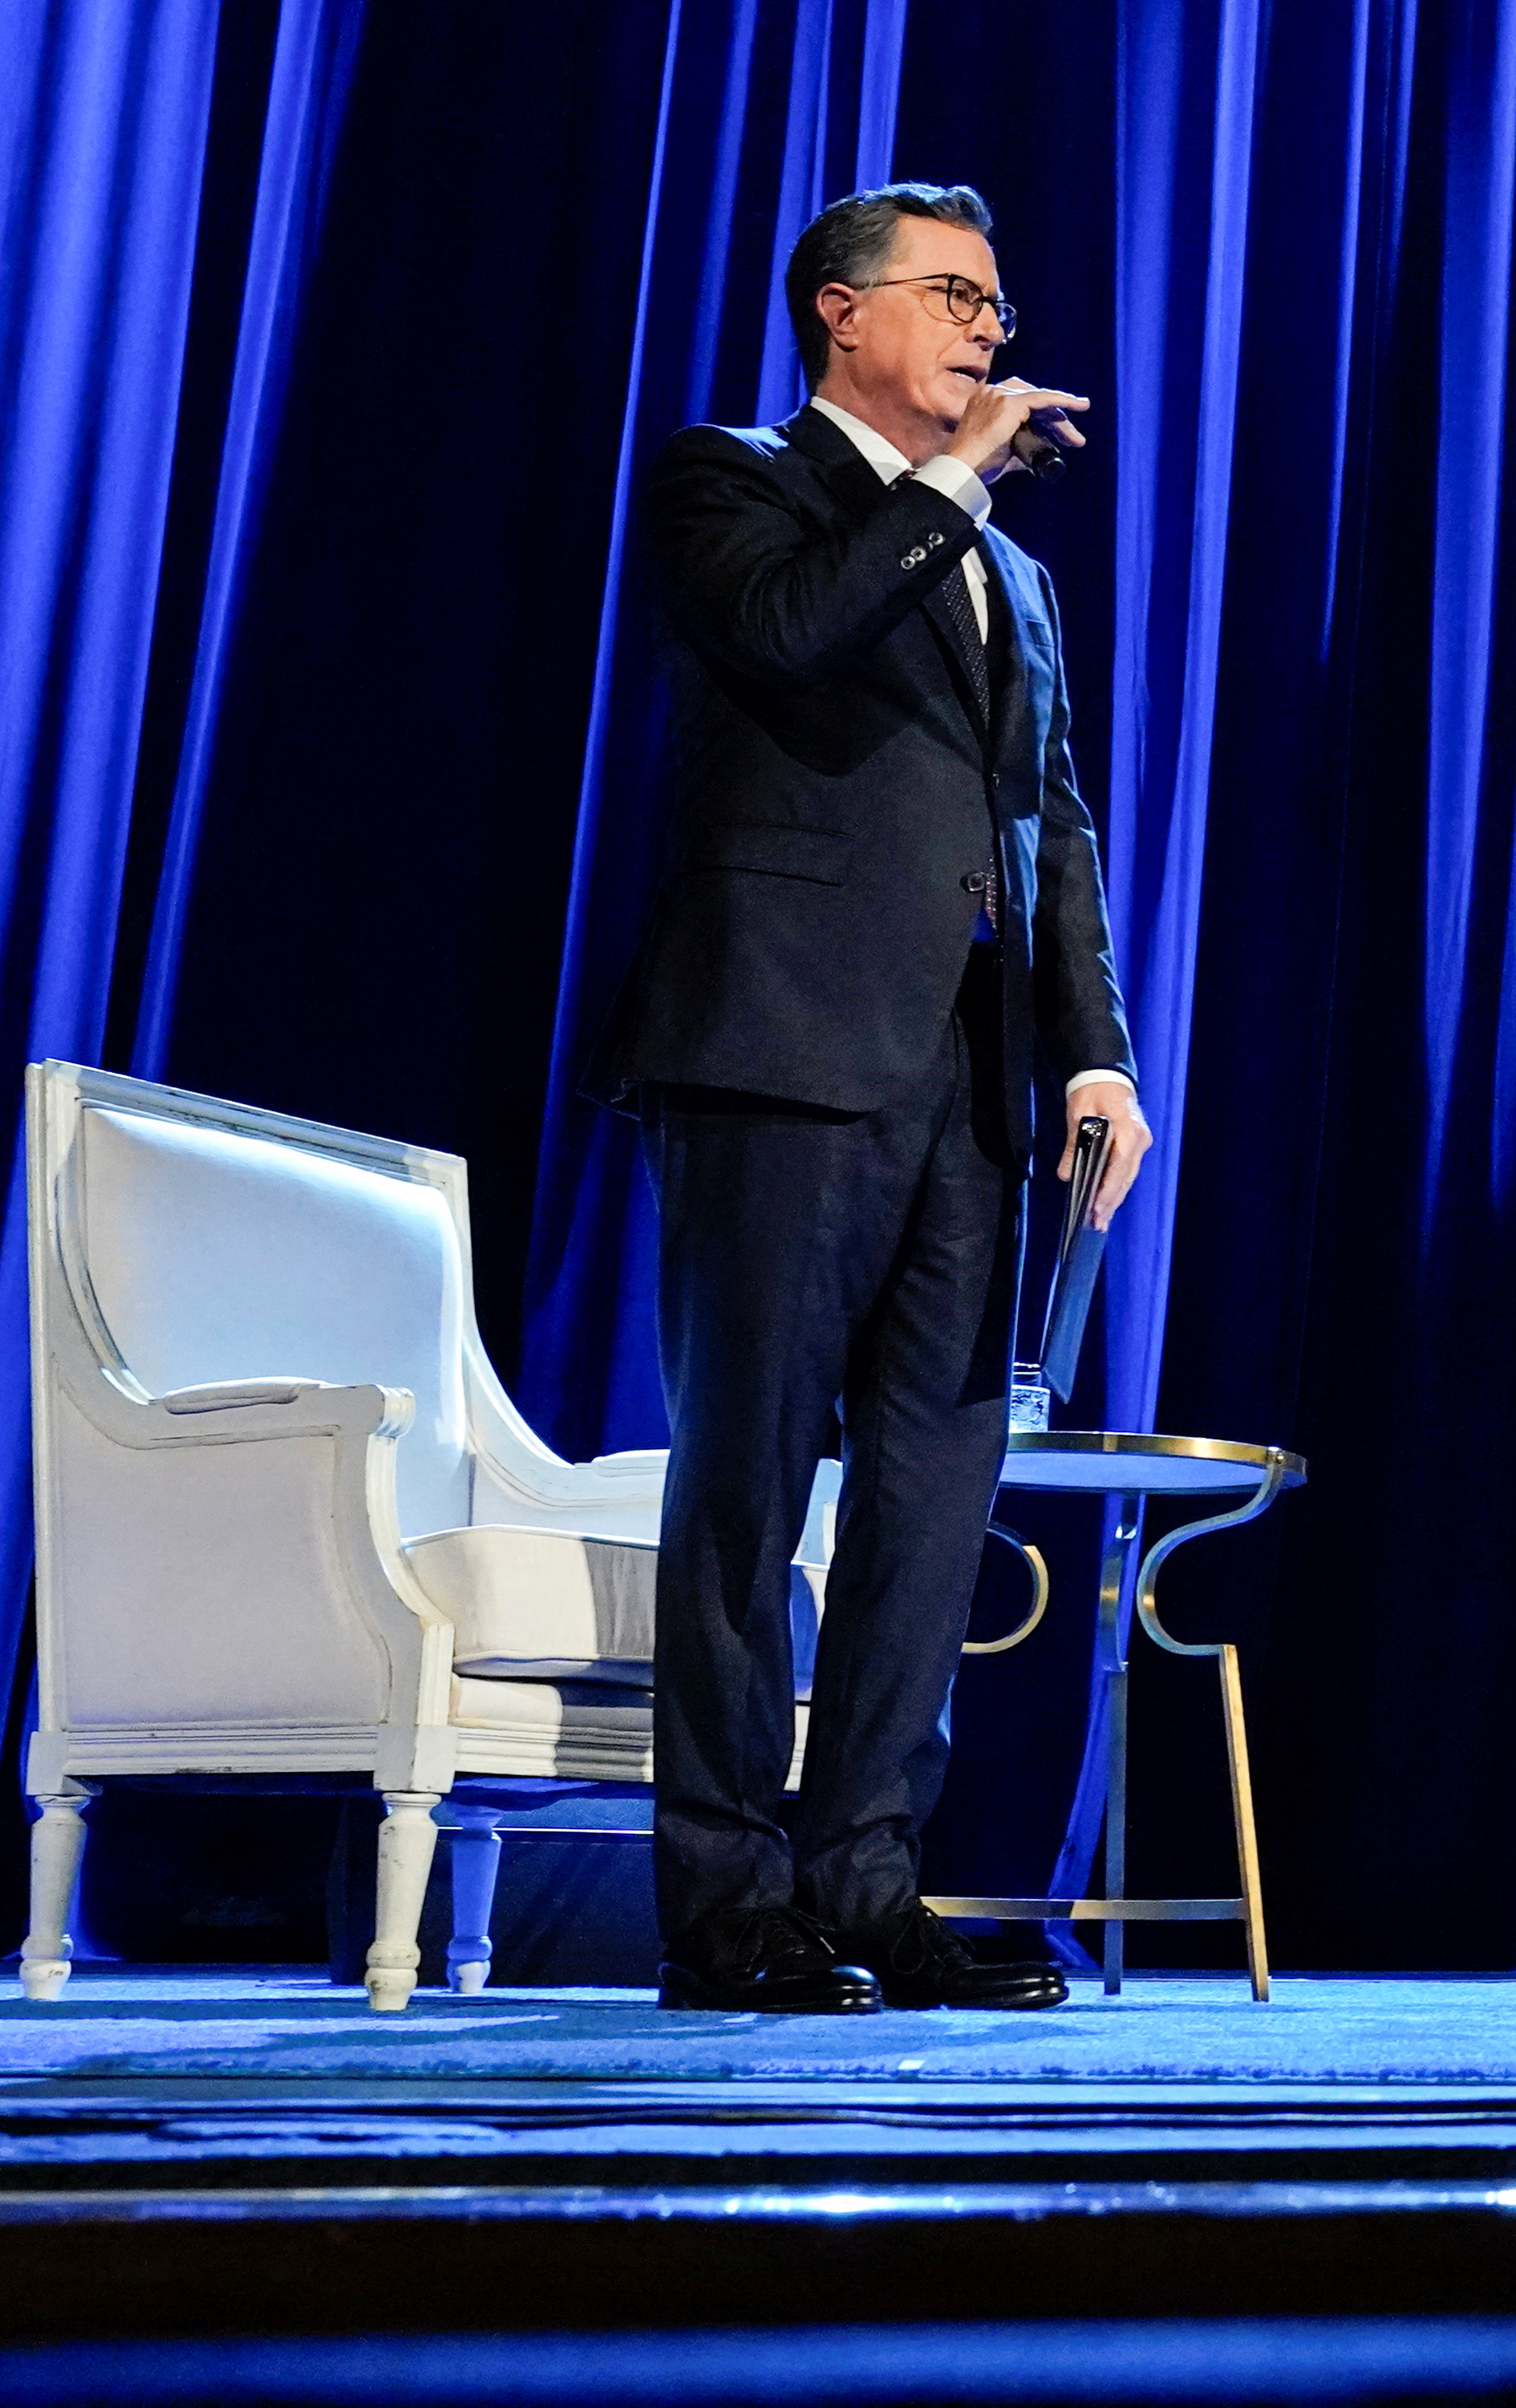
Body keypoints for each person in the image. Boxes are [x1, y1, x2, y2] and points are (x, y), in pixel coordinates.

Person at [601, 181, 1155, 2013]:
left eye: (996, 301)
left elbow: (1048, 821)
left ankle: (865, 1880)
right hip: (774, 1042)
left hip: (973, 1086)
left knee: (932, 1487)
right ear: (843, 313)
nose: (990, 327)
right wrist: (949, 489)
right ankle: (726, 1896)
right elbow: (780, 637)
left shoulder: (1014, 571)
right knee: (751, 1482)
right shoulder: (733, 473)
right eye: (953, 294)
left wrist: (1094, 1045)